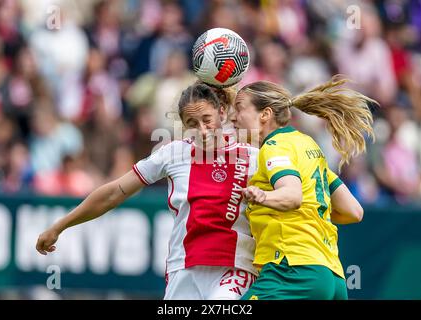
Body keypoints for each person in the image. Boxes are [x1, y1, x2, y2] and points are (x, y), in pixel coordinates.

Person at [36, 82, 258, 300]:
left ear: (221, 112)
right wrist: (60, 225)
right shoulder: (172, 154)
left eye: (207, 120)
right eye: (192, 123)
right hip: (183, 268)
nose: (202, 130)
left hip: (233, 268)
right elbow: (114, 192)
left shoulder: (253, 155)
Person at [231, 76, 375, 300]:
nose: (233, 117)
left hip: (292, 269)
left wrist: (263, 197)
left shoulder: (274, 147)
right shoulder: (308, 145)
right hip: (332, 277)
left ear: (265, 114)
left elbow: (292, 195)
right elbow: (353, 211)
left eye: (240, 108)